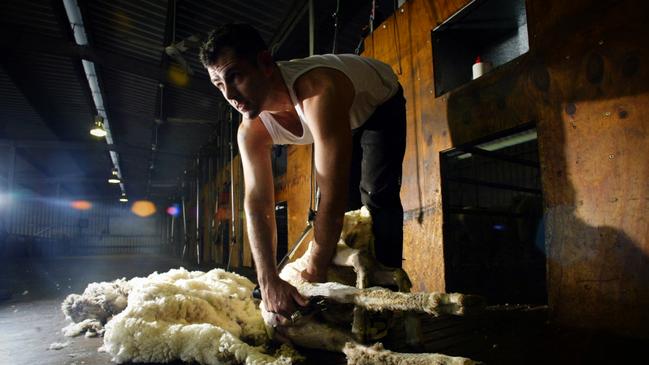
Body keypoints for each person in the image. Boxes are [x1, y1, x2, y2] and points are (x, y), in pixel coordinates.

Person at [199, 23, 406, 325]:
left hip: (378, 104)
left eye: (236, 76)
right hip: (338, 119)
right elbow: (257, 204)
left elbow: (331, 200)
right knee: (343, 211)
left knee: (376, 195)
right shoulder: (250, 129)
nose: (230, 94)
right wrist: (268, 280)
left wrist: (313, 272)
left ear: (266, 64)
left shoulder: (318, 91)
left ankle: (389, 304)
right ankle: (348, 297)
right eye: (219, 84)